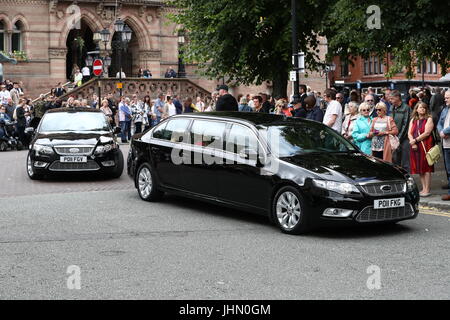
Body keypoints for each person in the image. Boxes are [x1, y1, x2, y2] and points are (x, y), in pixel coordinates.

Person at [408, 102, 435, 197]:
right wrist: (412, 142)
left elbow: (427, 133)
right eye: (420, 107)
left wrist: (415, 140)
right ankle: (423, 188)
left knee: (426, 167)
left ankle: (427, 189)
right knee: (419, 167)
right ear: (416, 109)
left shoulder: (429, 119)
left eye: (424, 108)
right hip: (415, 147)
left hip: (425, 145)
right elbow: (409, 133)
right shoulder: (413, 120)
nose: (422, 109)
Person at [389, 90, 411, 172]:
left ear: (398, 98)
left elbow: (406, 125)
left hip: (404, 139)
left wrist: (398, 139)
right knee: (395, 161)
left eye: (392, 99)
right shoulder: (391, 107)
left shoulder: (406, 108)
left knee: (405, 162)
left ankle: (407, 180)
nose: (390, 101)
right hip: (394, 138)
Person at [437, 90, 450, 201]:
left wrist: (445, 132)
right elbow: (439, 124)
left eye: (447, 98)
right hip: (446, 145)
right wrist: (441, 132)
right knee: (449, 170)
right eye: (445, 97)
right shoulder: (445, 109)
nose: (445, 99)